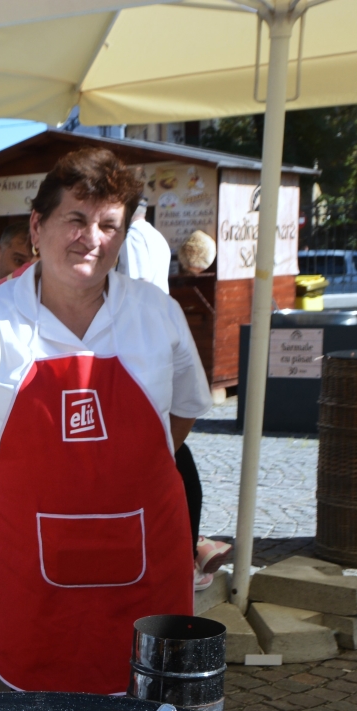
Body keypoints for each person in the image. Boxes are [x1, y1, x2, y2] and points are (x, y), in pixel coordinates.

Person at [0, 146, 211, 695]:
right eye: (75, 219)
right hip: (31, 562)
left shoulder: (157, 314)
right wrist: (6, 487)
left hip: (145, 553)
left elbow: (186, 408)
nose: (91, 238)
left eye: (108, 224)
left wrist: (137, 474)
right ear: (37, 226)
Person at [116, 202, 229, 588]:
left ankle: (184, 550)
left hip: (136, 345)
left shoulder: (130, 241)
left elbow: (130, 294)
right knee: (171, 448)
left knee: (166, 448)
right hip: (152, 343)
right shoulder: (156, 237)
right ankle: (190, 547)